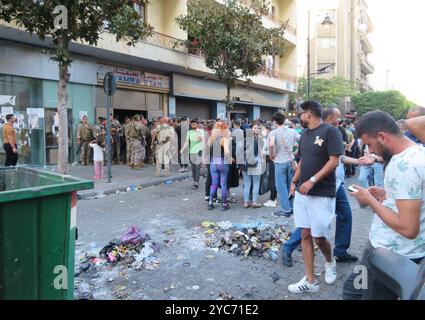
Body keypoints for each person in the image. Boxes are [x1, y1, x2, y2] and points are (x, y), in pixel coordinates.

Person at [343, 110, 425, 300]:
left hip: (390, 255)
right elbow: (413, 197)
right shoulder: (417, 151)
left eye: (370, 145)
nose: (370, 151)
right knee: (351, 290)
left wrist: (369, 200)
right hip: (384, 247)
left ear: (382, 136)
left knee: (357, 294)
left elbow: (408, 228)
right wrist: (386, 194)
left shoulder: (404, 166)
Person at [282, 108, 359, 268]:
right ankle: (290, 247)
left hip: (336, 185)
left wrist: (359, 162)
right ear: (330, 117)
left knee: (345, 215)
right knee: (311, 227)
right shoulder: (314, 133)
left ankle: (340, 251)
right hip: (320, 187)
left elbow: (338, 157)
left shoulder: (334, 132)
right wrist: (296, 181)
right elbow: (304, 161)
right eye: (338, 117)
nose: (341, 120)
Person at [287, 101, 343, 294]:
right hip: (302, 193)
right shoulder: (304, 135)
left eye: (300, 114)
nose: (299, 117)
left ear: (308, 114)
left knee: (319, 237)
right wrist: (294, 181)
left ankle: (329, 260)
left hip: (322, 193)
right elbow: (302, 160)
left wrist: (312, 180)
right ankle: (310, 280)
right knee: (305, 234)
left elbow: (334, 161)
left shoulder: (330, 131)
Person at [269, 112, 300, 217]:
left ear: (274, 121)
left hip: (280, 162)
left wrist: (271, 153)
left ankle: (286, 210)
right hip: (290, 162)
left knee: (281, 187)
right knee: (290, 185)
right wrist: (296, 152)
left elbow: (272, 144)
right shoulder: (292, 131)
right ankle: (291, 208)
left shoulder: (273, 132)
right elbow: (302, 141)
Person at [207, 121, 232, 211]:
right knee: (223, 184)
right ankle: (224, 204)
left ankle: (210, 203)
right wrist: (230, 158)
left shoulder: (212, 139)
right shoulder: (224, 139)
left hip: (213, 162)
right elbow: (226, 151)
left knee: (214, 184)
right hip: (222, 162)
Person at [241, 124, 264, 209]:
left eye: (257, 128)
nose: (257, 129)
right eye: (255, 128)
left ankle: (246, 203)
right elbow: (261, 153)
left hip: (245, 162)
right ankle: (254, 202)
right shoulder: (259, 140)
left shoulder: (243, 140)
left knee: (247, 183)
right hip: (255, 161)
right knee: (256, 182)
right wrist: (262, 162)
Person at [180, 118, 204, 189]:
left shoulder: (201, 131)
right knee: (193, 167)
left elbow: (200, 139)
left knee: (197, 167)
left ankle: (196, 181)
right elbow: (187, 142)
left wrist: (197, 132)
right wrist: (182, 149)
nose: (193, 125)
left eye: (195, 124)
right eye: (192, 124)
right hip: (191, 151)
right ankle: (195, 180)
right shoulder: (189, 132)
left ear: (197, 124)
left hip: (199, 151)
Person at [262, 124, 278, 208]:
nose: (262, 131)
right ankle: (274, 198)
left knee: (272, 180)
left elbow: (267, 148)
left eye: (263, 129)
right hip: (278, 160)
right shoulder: (275, 136)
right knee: (274, 179)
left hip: (273, 160)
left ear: (268, 129)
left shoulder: (270, 137)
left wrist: (268, 154)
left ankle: (272, 200)